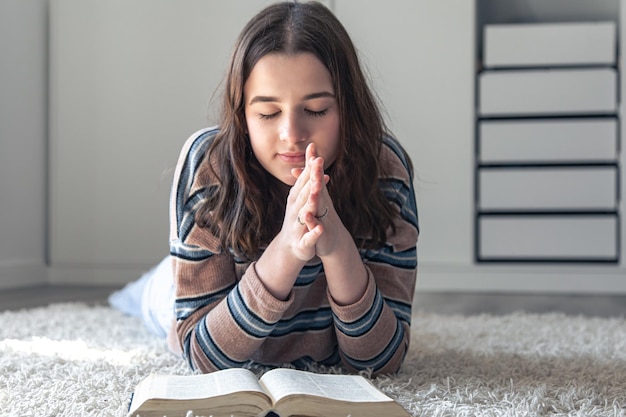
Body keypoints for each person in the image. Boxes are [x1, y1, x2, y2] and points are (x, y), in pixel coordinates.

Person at [111, 0, 418, 377]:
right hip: (192, 287)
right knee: (146, 296)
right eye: (268, 113)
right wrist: (287, 250)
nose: (292, 136)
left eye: (317, 110)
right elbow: (203, 356)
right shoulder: (210, 169)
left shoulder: (384, 170)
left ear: (349, 110)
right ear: (242, 116)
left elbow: (381, 362)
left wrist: (337, 247)